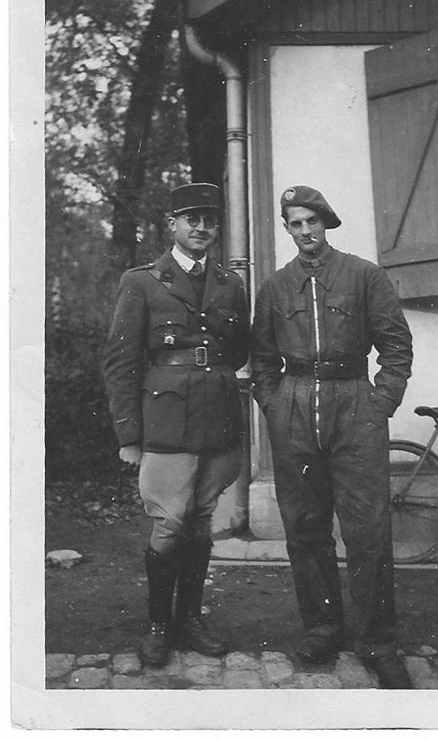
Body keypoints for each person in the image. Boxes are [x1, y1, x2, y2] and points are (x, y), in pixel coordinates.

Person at [250, 185, 413, 689]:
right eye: (295, 224)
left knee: (368, 531)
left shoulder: (364, 276)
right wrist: (276, 405)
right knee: (305, 527)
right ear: (288, 229)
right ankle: (322, 629)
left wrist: (378, 404)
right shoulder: (276, 287)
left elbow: (395, 347)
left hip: (353, 404)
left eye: (311, 222)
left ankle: (378, 642)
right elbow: (261, 360)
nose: (305, 233)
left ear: (326, 222)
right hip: (295, 408)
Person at [103, 183, 249, 666]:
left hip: (218, 419)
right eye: (192, 219)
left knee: (202, 521)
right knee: (168, 523)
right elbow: (120, 361)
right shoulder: (142, 281)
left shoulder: (230, 284)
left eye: (210, 220)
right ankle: (158, 626)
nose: (202, 228)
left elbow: (239, 351)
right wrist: (129, 434)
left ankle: (190, 618)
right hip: (165, 420)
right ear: (173, 224)